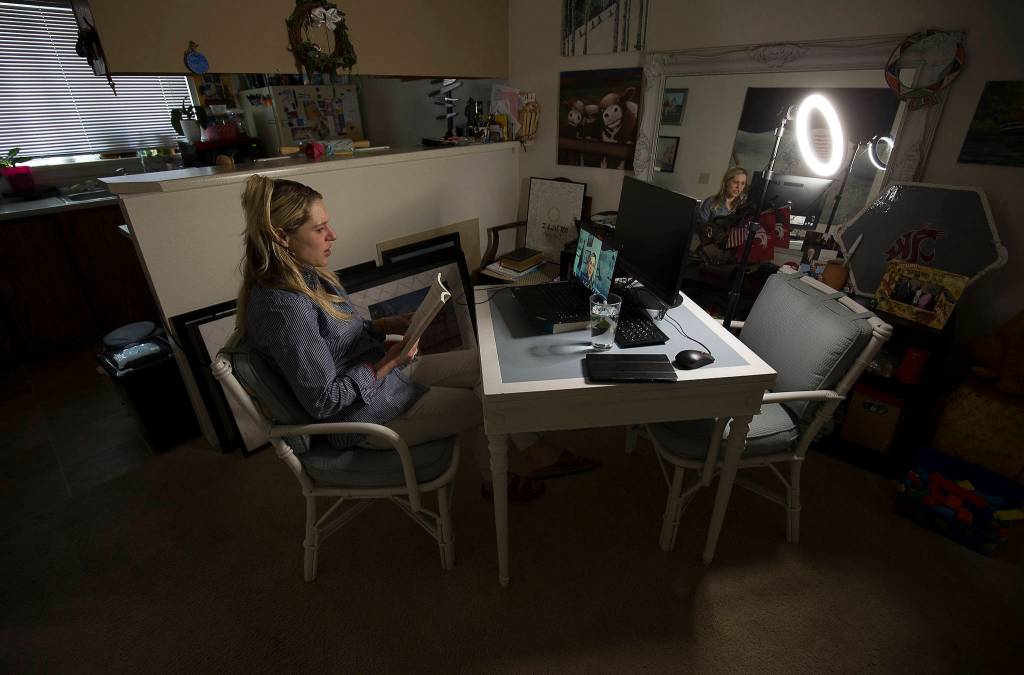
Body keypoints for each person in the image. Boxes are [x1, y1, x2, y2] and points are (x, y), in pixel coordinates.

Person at [230, 175, 598, 501]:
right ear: (282, 237)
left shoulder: (306, 275)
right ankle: (500, 479)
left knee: (487, 365)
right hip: (366, 414)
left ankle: (534, 452)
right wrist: (389, 360)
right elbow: (324, 401)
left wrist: (388, 323)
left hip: (386, 376)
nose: (332, 235)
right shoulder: (285, 308)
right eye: (319, 228)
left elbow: (336, 336)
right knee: (487, 405)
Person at [694, 167, 749, 265]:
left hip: (731, 260)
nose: (739, 187)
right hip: (707, 256)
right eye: (736, 182)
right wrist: (707, 230)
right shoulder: (711, 202)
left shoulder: (744, 207)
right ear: (727, 182)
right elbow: (699, 226)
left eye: (742, 183)